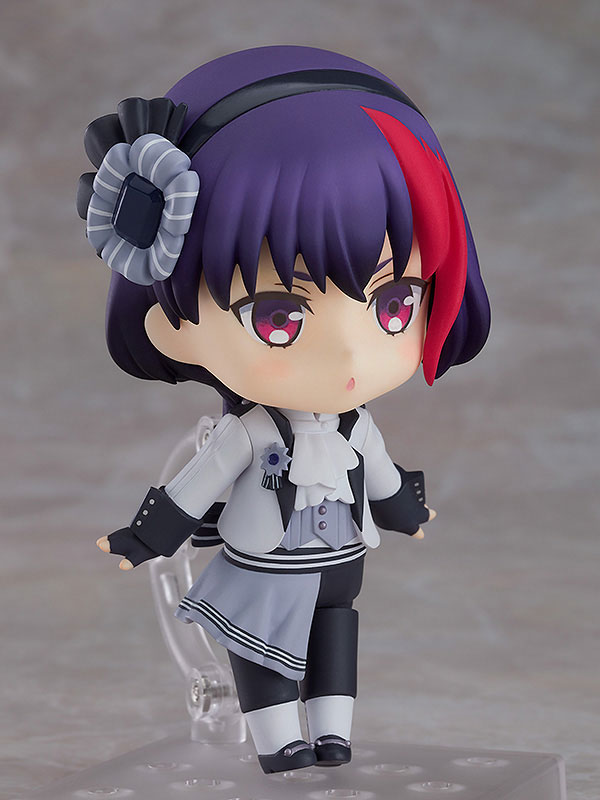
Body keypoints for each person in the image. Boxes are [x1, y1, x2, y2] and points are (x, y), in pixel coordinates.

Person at [77, 45, 490, 774]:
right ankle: (277, 740)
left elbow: (383, 475)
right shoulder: (249, 431)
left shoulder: (357, 426)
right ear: (170, 323)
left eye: (395, 304)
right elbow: (195, 485)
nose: (349, 356)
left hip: (342, 565)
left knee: (336, 639)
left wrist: (407, 512)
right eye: (278, 316)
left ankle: (333, 731)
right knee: (261, 644)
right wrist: (146, 538)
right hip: (265, 565)